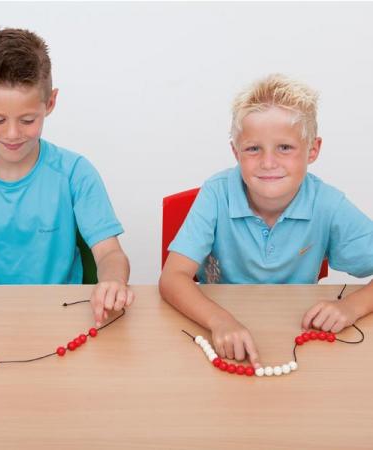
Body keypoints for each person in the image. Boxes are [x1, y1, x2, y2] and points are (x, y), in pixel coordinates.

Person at [0, 27, 134, 327]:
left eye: (27, 120)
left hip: (60, 319)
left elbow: (110, 253)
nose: (12, 134)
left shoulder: (75, 173)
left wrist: (113, 282)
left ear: (50, 103)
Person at [159, 73, 373, 369]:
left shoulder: (328, 203)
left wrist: (352, 306)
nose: (268, 163)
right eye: (253, 148)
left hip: (297, 335)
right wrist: (219, 321)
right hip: (219, 329)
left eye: (284, 147)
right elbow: (172, 278)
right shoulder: (216, 193)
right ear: (236, 151)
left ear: (313, 150)